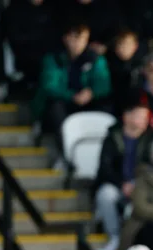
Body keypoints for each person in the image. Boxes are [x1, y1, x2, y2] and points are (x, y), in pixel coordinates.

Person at [93, 99, 153, 250]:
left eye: (145, 117)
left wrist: (137, 186)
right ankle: (114, 237)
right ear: (126, 117)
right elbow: (104, 169)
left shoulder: (151, 139)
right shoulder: (112, 138)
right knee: (105, 195)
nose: (143, 121)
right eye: (139, 116)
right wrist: (122, 184)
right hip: (117, 185)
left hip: (142, 187)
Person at [32, 23, 112, 153]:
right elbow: (50, 86)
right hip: (62, 103)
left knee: (106, 108)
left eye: (82, 38)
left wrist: (91, 93)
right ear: (65, 38)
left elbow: (103, 84)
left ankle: (101, 152)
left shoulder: (95, 59)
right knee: (56, 109)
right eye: (73, 38)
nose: (77, 43)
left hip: (87, 102)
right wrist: (72, 96)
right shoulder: (54, 58)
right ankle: (66, 155)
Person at [107, 29, 145, 115]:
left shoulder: (142, 64)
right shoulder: (108, 65)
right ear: (116, 48)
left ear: (135, 46)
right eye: (121, 44)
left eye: (128, 44)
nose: (125, 48)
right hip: (114, 106)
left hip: (136, 107)